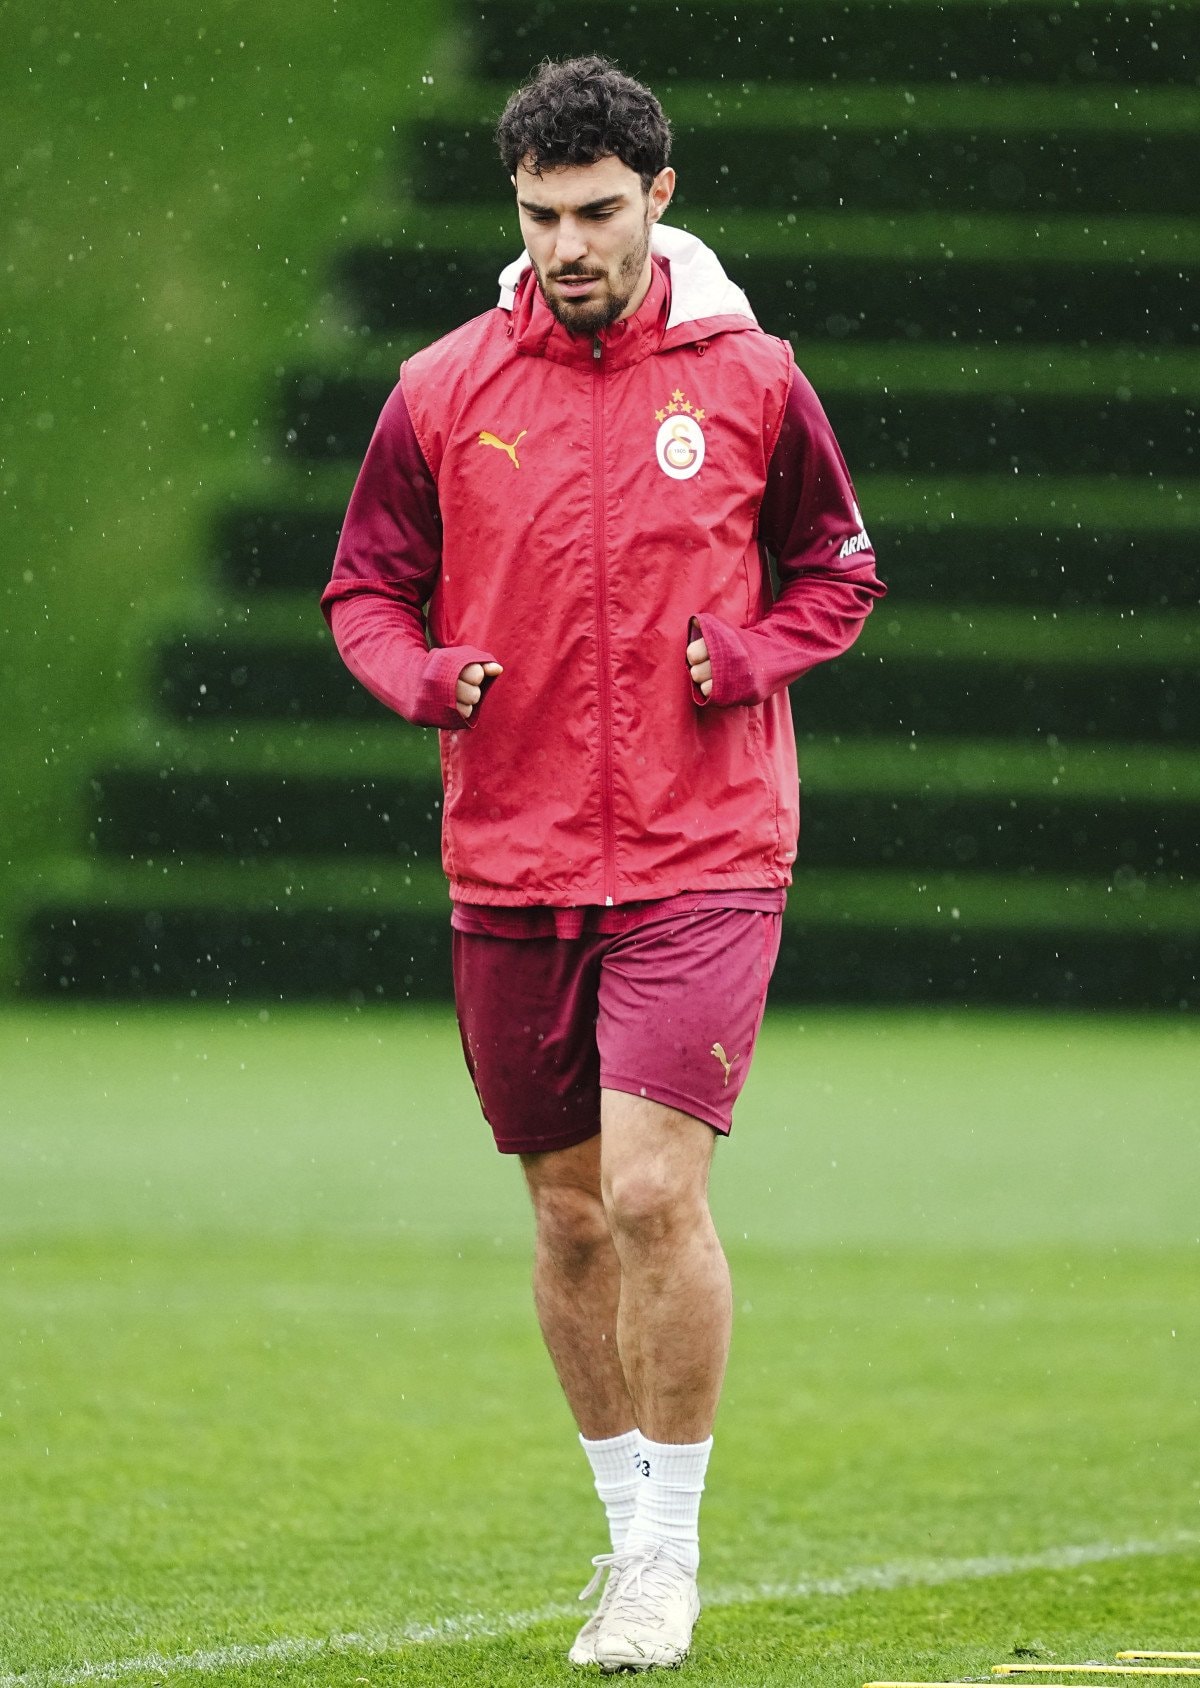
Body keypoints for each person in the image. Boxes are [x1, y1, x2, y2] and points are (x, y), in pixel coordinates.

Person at [321, 55, 884, 1673]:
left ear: (659, 199)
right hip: (512, 855)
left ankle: (668, 1562)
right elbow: (365, 590)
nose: (567, 246)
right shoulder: (441, 388)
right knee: (568, 1219)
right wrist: (422, 678)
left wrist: (746, 655)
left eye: (595, 212)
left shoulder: (752, 378)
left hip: (708, 849)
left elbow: (839, 570)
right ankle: (626, 1531)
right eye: (540, 216)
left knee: (649, 1192)